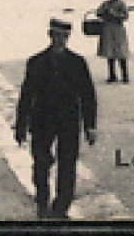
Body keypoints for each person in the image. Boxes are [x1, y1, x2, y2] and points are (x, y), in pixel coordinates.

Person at [14, 17, 97, 220]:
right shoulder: (36, 62)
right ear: (50, 36)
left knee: (67, 164)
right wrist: (20, 126)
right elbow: (26, 95)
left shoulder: (77, 63)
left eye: (64, 36)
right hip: (42, 120)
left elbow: (87, 95)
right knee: (41, 163)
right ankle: (42, 201)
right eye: (56, 35)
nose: (60, 40)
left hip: (69, 120)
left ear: (68, 38)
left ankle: (61, 207)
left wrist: (90, 126)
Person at [94, 0, 132, 83]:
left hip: (118, 29)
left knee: (120, 53)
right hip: (108, 29)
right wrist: (102, 13)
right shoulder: (105, 4)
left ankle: (125, 75)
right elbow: (98, 12)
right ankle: (112, 75)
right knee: (109, 53)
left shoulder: (121, 4)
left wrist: (114, 14)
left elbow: (125, 16)